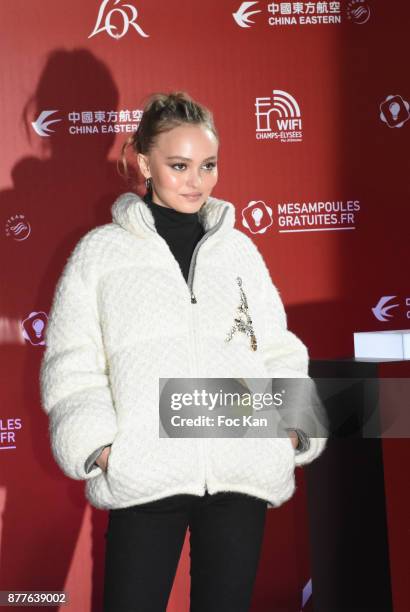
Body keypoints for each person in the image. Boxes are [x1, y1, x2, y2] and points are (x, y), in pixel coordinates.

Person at [39, 91, 327, 612]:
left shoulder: (239, 250)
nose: (197, 181)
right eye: (179, 165)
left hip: (241, 462)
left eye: (208, 165)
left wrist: (288, 431)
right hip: (145, 468)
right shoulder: (100, 253)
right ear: (144, 161)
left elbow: (278, 348)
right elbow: (73, 364)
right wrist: (102, 448)